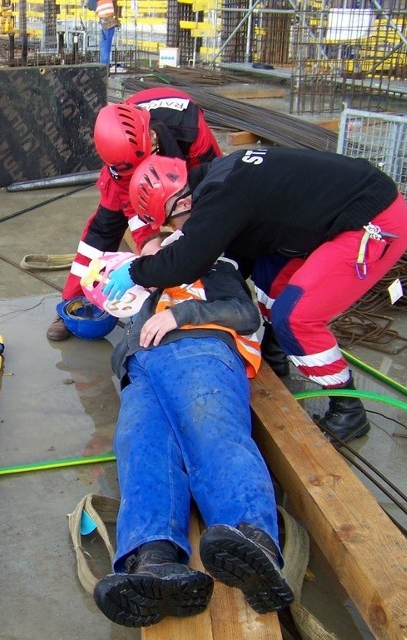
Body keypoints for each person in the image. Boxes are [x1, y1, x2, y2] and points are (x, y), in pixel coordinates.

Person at [103, 150, 407, 442]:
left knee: (296, 316)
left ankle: (348, 410)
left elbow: (187, 262)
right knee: (269, 280)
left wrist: (136, 271)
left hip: (373, 220)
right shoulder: (217, 180)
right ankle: (277, 357)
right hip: (344, 207)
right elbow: (237, 247)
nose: (174, 230)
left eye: (169, 223)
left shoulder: (223, 196)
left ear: (181, 204)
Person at [93, 234, 294, 627]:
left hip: (198, 349)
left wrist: (179, 315)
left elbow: (244, 313)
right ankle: (153, 559)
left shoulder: (212, 267)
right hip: (140, 368)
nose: (145, 261)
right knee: (141, 448)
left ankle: (253, 541)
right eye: (141, 257)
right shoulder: (135, 296)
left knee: (211, 432)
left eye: (154, 253)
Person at [47, 87, 222, 341]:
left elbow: (214, 181)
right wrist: (149, 244)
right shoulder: (119, 160)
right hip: (127, 163)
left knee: (201, 219)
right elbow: (135, 209)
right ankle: (72, 304)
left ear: (150, 139)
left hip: (182, 160)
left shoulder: (191, 128)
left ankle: (204, 296)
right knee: (102, 231)